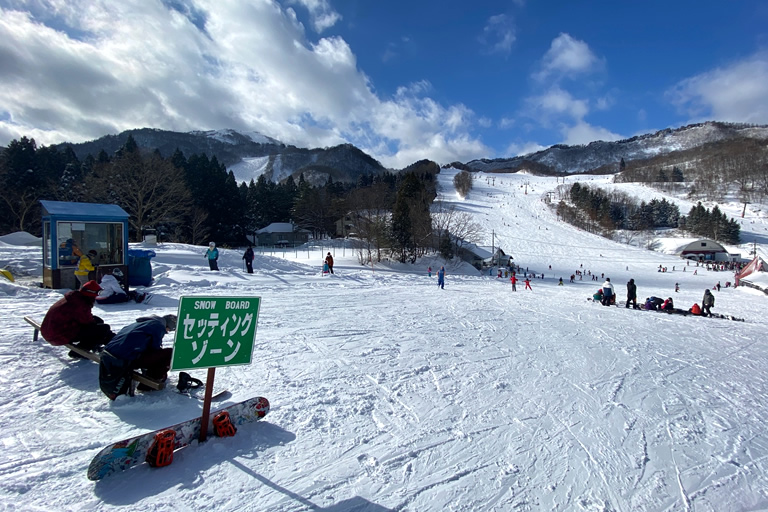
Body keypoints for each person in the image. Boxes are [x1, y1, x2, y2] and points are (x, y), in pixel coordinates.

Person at [98, 314, 177, 400]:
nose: (167, 332)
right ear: (168, 325)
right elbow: (155, 347)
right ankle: (148, 385)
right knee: (170, 353)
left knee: (154, 354)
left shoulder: (139, 323)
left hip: (109, 353)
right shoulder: (158, 326)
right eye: (168, 330)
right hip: (124, 358)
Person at [40, 280, 114, 356]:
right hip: (56, 336)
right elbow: (88, 322)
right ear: (90, 293)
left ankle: (104, 342)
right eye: (97, 293)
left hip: (50, 330)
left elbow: (86, 319)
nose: (97, 296)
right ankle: (80, 352)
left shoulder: (74, 298)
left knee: (98, 322)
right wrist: (106, 334)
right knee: (103, 329)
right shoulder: (80, 304)